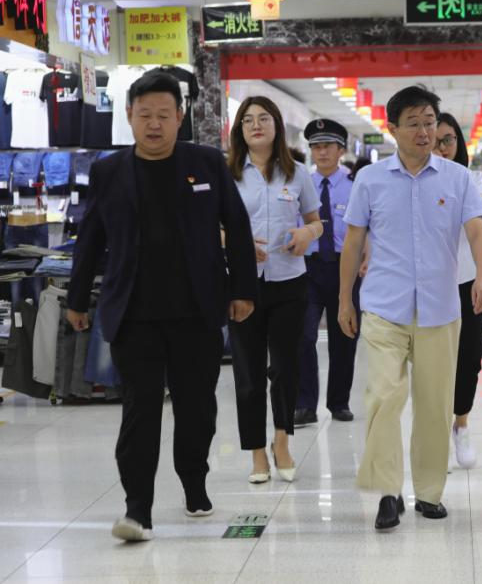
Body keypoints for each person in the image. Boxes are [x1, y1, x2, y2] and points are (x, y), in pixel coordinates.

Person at [66, 71, 257, 542]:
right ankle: (138, 509)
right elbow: (90, 238)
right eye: (145, 115)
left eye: (164, 115)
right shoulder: (109, 171)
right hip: (134, 313)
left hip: (197, 309)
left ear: (180, 117)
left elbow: (237, 225)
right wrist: (76, 299)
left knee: (197, 408)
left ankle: (194, 482)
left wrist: (242, 291)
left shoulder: (206, 163)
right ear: (129, 115)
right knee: (140, 408)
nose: (154, 124)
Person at [338, 86, 482, 531]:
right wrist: (344, 298)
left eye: (429, 122)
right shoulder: (370, 180)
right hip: (384, 306)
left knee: (435, 405)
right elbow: (353, 241)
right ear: (393, 129)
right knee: (383, 397)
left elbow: (477, 231)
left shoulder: (457, 178)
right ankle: (388, 492)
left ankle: (428, 492)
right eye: (414, 124)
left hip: (440, 308)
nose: (425, 132)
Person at [227, 96, 323, 485]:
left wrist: (307, 233)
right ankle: (256, 453)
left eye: (263, 118)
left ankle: (281, 442)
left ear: (276, 126)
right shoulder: (228, 174)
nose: (256, 125)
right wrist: (236, 243)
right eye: (248, 120)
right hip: (242, 285)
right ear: (240, 129)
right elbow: (210, 227)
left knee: (285, 367)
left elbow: (317, 221)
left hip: (289, 281)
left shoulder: (297, 173)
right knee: (248, 373)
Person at [432, 112, 482, 469]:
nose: (442, 147)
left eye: (448, 140)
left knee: (469, 355)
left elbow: (476, 217)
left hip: (467, 281)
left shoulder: (473, 178)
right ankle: (437, 430)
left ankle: (462, 423)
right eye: (435, 140)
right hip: (429, 283)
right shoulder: (413, 181)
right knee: (433, 359)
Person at [295, 119, 360, 426]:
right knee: (303, 336)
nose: (321, 152)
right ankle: (305, 404)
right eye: (316, 147)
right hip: (307, 268)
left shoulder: (355, 185)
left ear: (341, 150)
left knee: (344, 336)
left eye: (328, 146)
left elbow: (368, 227)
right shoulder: (300, 183)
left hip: (344, 267)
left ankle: (339, 402)